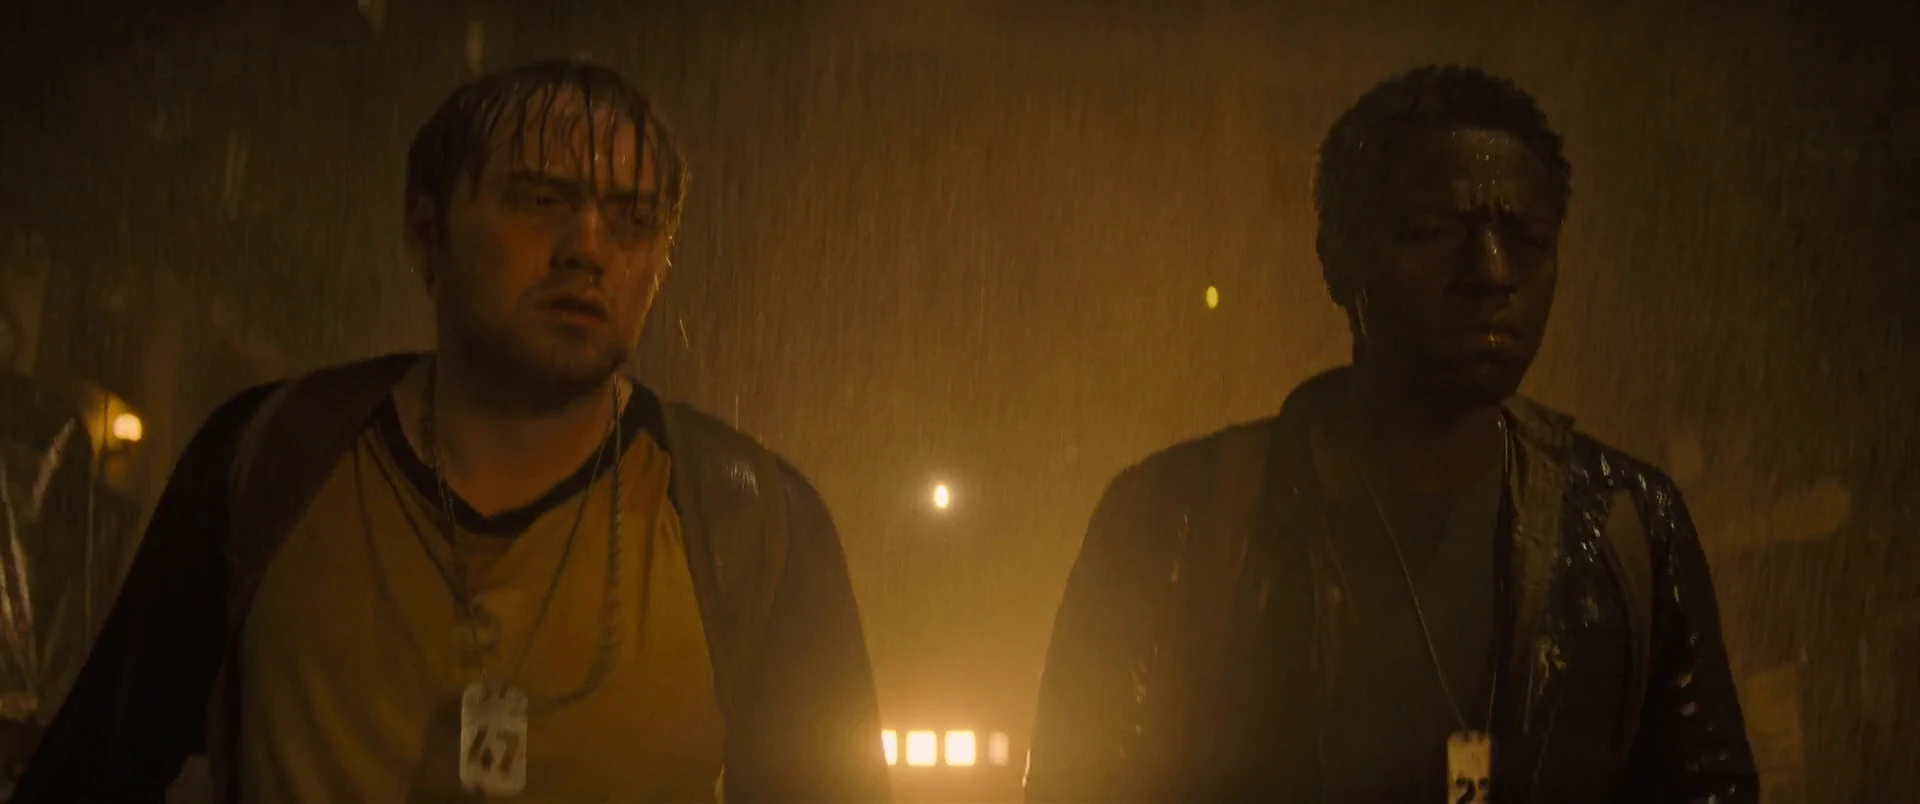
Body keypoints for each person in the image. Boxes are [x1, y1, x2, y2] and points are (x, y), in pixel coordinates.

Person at [14, 60, 890, 803]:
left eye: (632, 219)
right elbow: (92, 772)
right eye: (541, 199)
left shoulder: (749, 521)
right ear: (425, 230)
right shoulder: (270, 459)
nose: (589, 248)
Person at [1026, 65, 1757, 803]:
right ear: (1338, 258)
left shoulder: (1628, 521)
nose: (1490, 271)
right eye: (1432, 232)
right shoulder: (1178, 519)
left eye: (1528, 238)